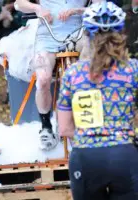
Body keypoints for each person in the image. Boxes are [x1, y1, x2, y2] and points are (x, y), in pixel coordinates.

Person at [57, 2, 138, 199]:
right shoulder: (133, 70)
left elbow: (65, 129)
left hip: (86, 158)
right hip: (124, 155)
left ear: (87, 35)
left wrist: (90, 138)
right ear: (121, 35)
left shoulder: (73, 74)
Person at [15, 0, 88, 151]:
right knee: (42, 78)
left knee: (87, 73)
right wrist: (36, 8)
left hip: (78, 33)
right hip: (48, 34)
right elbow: (18, 4)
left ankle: (87, 123)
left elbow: (101, 6)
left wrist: (78, 10)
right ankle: (46, 126)